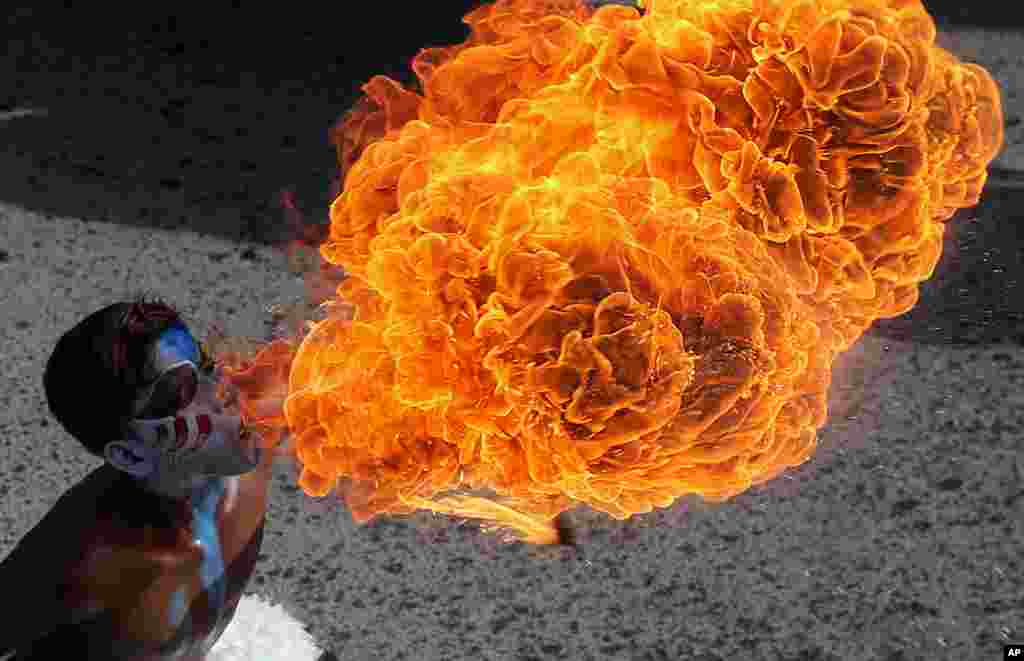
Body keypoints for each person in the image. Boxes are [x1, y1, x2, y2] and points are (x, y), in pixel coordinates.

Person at [0, 297, 325, 660]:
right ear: (131, 455)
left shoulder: (248, 467)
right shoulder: (86, 558)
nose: (224, 389)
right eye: (178, 392)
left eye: (207, 365)